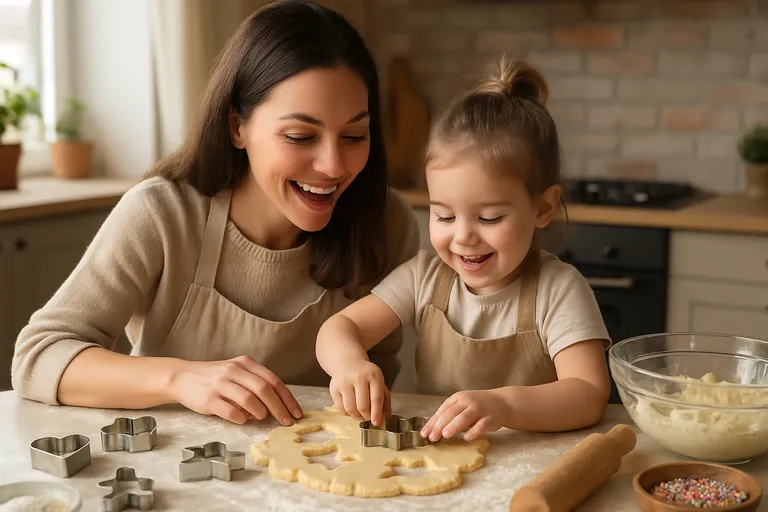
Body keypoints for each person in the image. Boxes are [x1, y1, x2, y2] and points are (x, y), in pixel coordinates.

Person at [11, 0, 420, 427]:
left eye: (354, 135)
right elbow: (38, 356)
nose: (333, 166)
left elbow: (383, 378)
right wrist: (180, 378)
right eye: (300, 136)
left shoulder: (388, 224)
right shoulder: (162, 214)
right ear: (237, 127)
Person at [316, 56, 611, 442]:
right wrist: (349, 363)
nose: (463, 237)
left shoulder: (558, 289)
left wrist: (503, 406)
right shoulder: (424, 277)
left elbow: (588, 393)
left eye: (488, 218)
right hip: (436, 460)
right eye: (444, 216)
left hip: (529, 466)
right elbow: (341, 327)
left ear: (543, 208)